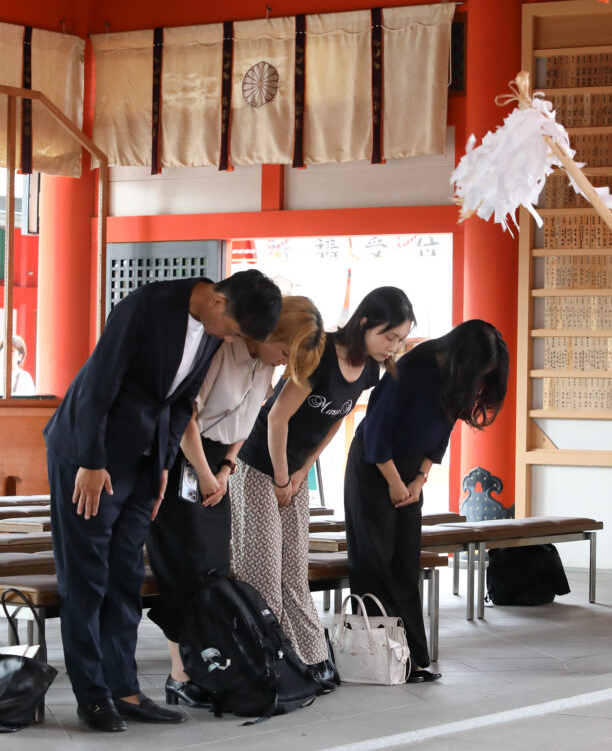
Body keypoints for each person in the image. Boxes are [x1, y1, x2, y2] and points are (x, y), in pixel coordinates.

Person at [43, 269, 282, 733]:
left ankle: (125, 690)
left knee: (126, 577)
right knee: (87, 577)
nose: (230, 339)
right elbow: (98, 383)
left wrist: (163, 473)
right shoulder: (146, 306)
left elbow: (180, 401)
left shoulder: (213, 326)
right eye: (232, 330)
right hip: (89, 455)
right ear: (217, 303)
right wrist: (91, 462)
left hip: (145, 459)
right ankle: (93, 696)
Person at [230, 286, 416, 691]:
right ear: (365, 322)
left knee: (295, 571)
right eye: (389, 337)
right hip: (258, 465)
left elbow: (336, 421)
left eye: (400, 340)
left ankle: (311, 658)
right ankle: (269, 664)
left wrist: (303, 471)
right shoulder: (321, 352)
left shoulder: (368, 369)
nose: (394, 347)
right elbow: (277, 418)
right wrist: (281, 477)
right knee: (262, 574)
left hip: (293, 473)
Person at [146, 296, 324, 708]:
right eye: (283, 352)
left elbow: (248, 420)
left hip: (221, 466)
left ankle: (207, 667)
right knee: (182, 568)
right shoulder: (222, 350)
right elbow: (184, 416)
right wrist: (208, 474)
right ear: (269, 334)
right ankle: (180, 673)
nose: (281, 365)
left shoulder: (264, 366)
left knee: (213, 572)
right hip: (181, 461)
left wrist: (226, 468)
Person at [344, 319, 509, 682]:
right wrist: (393, 482)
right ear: (461, 355)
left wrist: (419, 480)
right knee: (374, 562)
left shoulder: (456, 378)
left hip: (409, 475)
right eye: (479, 370)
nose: (479, 379)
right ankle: (381, 660)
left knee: (404, 564)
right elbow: (376, 430)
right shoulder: (413, 368)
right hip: (374, 468)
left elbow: (442, 432)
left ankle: (413, 658)